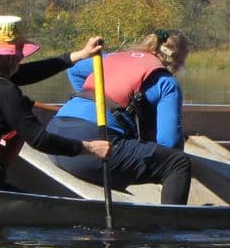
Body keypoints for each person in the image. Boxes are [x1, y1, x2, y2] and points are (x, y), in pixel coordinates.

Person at [0, 15, 110, 188]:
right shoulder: (6, 92)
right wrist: (90, 148)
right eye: (19, 53)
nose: (22, 57)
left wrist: (79, 55)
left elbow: (27, 72)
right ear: (9, 57)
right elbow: (40, 140)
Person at [45, 29, 193, 205]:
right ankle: (170, 228)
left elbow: (75, 70)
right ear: (176, 61)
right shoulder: (166, 82)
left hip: (53, 140)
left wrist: (99, 101)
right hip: (88, 155)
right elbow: (169, 144)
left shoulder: (112, 58)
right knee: (177, 163)